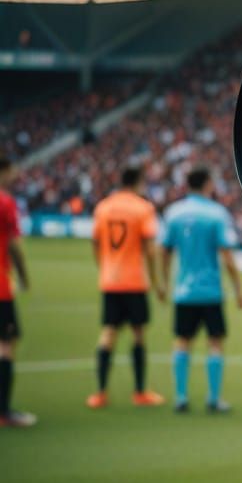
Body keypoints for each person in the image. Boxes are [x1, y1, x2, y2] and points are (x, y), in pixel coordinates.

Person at [161, 167, 242, 413]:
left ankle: (180, 397)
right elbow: (227, 257)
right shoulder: (216, 214)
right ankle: (214, 398)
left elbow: (164, 252)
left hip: (184, 291)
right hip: (210, 291)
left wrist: (164, 282)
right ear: (208, 183)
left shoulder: (173, 213)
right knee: (215, 342)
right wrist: (238, 288)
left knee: (182, 342)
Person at [86, 165, 166, 408]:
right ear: (138, 182)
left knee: (108, 333)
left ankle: (100, 392)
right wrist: (156, 281)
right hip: (134, 281)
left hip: (110, 280)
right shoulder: (143, 208)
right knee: (138, 334)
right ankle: (140, 391)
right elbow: (151, 250)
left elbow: (96, 243)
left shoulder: (104, 206)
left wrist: (104, 268)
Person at [0, 158, 35, 428]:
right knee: (6, 344)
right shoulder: (5, 202)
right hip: (1, 286)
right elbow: (14, 245)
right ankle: (3, 411)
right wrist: (23, 277)